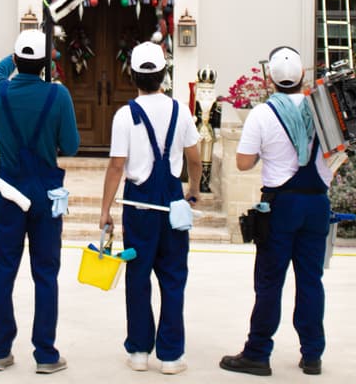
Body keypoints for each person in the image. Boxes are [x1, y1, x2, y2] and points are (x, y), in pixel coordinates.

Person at [219, 46, 332, 377]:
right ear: (302, 78)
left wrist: (263, 155)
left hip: (280, 205)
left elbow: (242, 163)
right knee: (311, 279)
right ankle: (312, 354)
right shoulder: (323, 112)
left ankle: (258, 352)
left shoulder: (262, 114)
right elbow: (339, 156)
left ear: (270, 78)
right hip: (317, 203)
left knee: (270, 281)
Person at [99, 42, 202, 376]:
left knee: (138, 277)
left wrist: (105, 210)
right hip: (172, 205)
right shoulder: (181, 111)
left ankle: (140, 351)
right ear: (164, 75)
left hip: (138, 208)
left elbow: (117, 166)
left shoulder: (125, 115)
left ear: (133, 76)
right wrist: (194, 190)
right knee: (173, 278)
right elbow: (195, 158)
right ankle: (171, 356)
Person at [0, 29, 80, 374]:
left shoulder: (0, 90)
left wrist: (13, 56)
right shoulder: (58, 95)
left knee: (3, 270)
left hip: (9, 189)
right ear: (44, 62)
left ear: (17, 59)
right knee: (45, 273)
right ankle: (45, 354)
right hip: (44, 192)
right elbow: (69, 146)